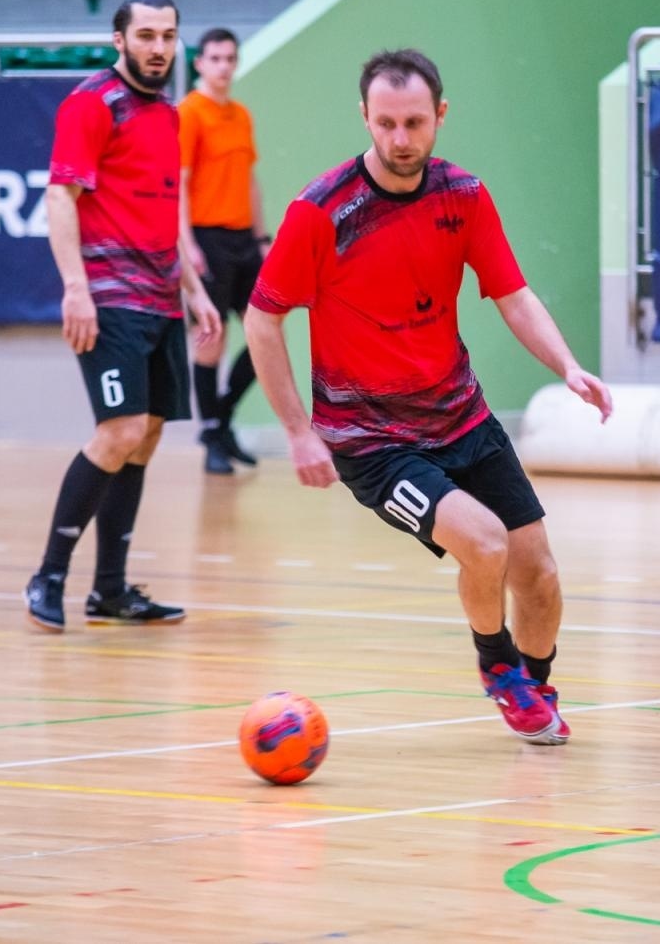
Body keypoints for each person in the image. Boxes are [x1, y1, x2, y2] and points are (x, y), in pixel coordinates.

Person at [244, 49, 612, 745]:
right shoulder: (321, 211)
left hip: (459, 417)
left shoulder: (462, 196)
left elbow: (512, 292)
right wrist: (297, 430)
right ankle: (498, 669)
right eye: (385, 123)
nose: (400, 138)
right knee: (484, 542)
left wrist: (567, 364)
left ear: (441, 115)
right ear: (365, 117)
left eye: (414, 122)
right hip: (372, 441)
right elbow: (263, 317)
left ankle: (536, 681)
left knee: (539, 571)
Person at [24, 0, 222, 631]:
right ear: (120, 40)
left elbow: (166, 211)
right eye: (146, 37)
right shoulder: (91, 103)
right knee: (120, 431)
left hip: (164, 299)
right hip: (110, 295)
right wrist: (74, 287)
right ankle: (48, 573)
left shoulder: (168, 115)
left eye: (168, 36)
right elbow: (61, 197)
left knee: (148, 435)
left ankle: (109, 590)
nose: (159, 49)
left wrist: (195, 291)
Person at [177, 27, 267, 474]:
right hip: (205, 237)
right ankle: (213, 433)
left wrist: (262, 237)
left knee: (263, 333)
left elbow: (250, 181)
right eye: (215, 58)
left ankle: (221, 421)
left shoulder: (242, 115)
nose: (224, 66)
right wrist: (187, 243)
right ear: (199, 63)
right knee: (210, 339)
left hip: (243, 240)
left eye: (230, 58)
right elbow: (179, 184)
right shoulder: (190, 114)